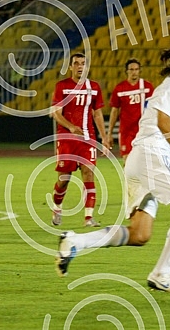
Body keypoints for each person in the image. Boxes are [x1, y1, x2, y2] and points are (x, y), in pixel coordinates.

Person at [55, 46, 170, 293]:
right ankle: (162, 273)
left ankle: (75, 241)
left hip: (139, 158)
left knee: (139, 234)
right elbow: (163, 120)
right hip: (153, 155)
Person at [50, 52, 108, 227]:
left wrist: (104, 137)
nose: (80, 66)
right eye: (76, 63)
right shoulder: (62, 86)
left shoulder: (94, 87)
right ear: (70, 67)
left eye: (83, 63)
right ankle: (57, 206)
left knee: (88, 173)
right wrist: (71, 127)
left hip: (87, 137)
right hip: (66, 138)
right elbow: (55, 113)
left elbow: (97, 113)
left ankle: (89, 217)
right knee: (64, 179)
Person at [107, 58, 154, 163]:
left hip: (143, 130)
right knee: (128, 162)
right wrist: (109, 133)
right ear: (126, 71)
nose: (134, 72)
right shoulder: (120, 88)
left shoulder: (147, 87)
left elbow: (153, 108)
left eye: (136, 69)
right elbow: (114, 111)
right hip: (126, 132)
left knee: (144, 163)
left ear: (140, 71)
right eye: (131, 69)